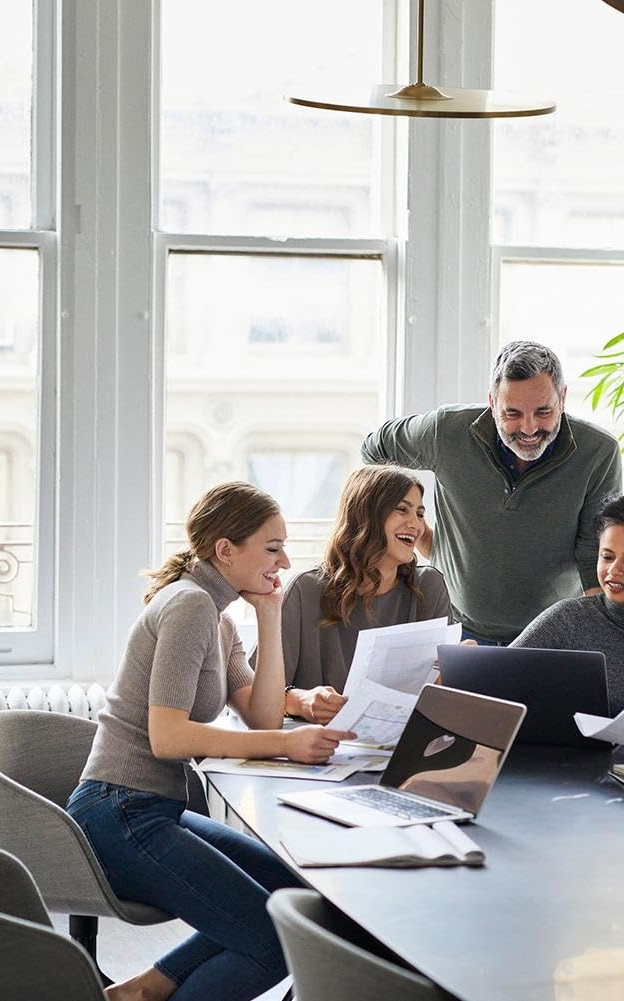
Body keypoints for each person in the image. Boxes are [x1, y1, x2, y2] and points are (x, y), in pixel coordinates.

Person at [65, 481, 355, 1001]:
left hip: (152, 809)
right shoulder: (190, 606)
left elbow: (264, 718)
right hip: (119, 812)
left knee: (297, 896)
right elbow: (168, 736)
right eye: (272, 548)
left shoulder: (219, 618)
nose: (285, 561)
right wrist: (289, 746)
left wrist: (269, 616)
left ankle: (145, 989)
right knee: (271, 939)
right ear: (226, 550)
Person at [361, 340, 622, 645]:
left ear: (562, 398)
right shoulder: (446, 432)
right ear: (492, 402)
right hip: (456, 628)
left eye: (543, 411)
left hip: (549, 638)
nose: (528, 428)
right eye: (512, 413)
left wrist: (599, 645)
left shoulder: (598, 452)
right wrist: (413, 524)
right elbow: (374, 448)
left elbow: (594, 559)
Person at [262, 465, 452, 724]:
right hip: (318, 747)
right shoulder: (306, 591)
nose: (416, 525)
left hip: (403, 741)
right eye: (402, 510)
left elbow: (437, 694)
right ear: (367, 516)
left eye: (420, 514)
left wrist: (457, 670)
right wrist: (300, 701)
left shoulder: (429, 586)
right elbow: (252, 694)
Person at [510, 494, 624, 715]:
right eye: (607, 557)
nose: (614, 571)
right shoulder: (567, 618)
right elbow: (496, 680)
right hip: (568, 748)